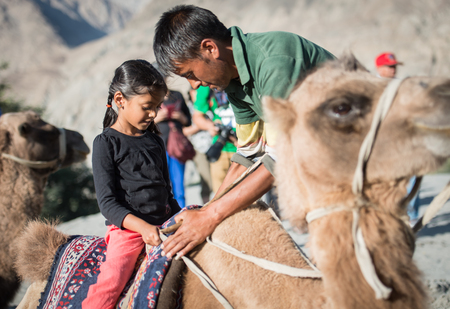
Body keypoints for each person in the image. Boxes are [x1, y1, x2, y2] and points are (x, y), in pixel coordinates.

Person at [153, 4, 335, 260]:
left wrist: (210, 216)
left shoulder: (273, 63)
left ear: (210, 48)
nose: (194, 84)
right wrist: (208, 209)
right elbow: (248, 152)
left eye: (190, 73)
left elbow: (279, 158)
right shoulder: (233, 80)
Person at [82, 60, 181, 309]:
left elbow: (166, 193)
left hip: (164, 225)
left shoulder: (155, 141)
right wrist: (143, 228)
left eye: (157, 107)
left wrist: (180, 218)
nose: (154, 114)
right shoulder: (105, 144)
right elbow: (107, 204)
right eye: (147, 107)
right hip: (128, 233)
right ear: (120, 100)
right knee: (111, 283)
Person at [154, 74, 192, 209]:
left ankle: (181, 214)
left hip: (176, 145)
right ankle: (168, 215)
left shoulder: (177, 95)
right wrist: (157, 119)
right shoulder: (150, 98)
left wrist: (181, 117)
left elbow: (189, 120)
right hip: (158, 146)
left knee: (178, 183)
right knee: (163, 185)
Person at [193, 85, 237, 193]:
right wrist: (210, 126)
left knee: (248, 197)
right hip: (219, 148)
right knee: (220, 194)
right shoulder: (205, 87)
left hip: (242, 148)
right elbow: (197, 116)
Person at [183, 87, 214, 203]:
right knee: (206, 181)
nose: (197, 94)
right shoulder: (189, 109)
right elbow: (184, 131)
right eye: (195, 91)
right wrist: (200, 125)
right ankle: (205, 207)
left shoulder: (208, 105)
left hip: (214, 145)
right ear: (190, 92)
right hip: (199, 149)